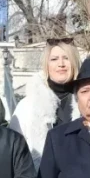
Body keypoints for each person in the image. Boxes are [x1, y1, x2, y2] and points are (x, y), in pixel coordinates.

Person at [9, 39, 82, 167]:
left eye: (66, 58)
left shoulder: (87, 103)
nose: (61, 64)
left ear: (74, 62)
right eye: (54, 59)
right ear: (46, 65)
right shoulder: (27, 106)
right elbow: (13, 151)